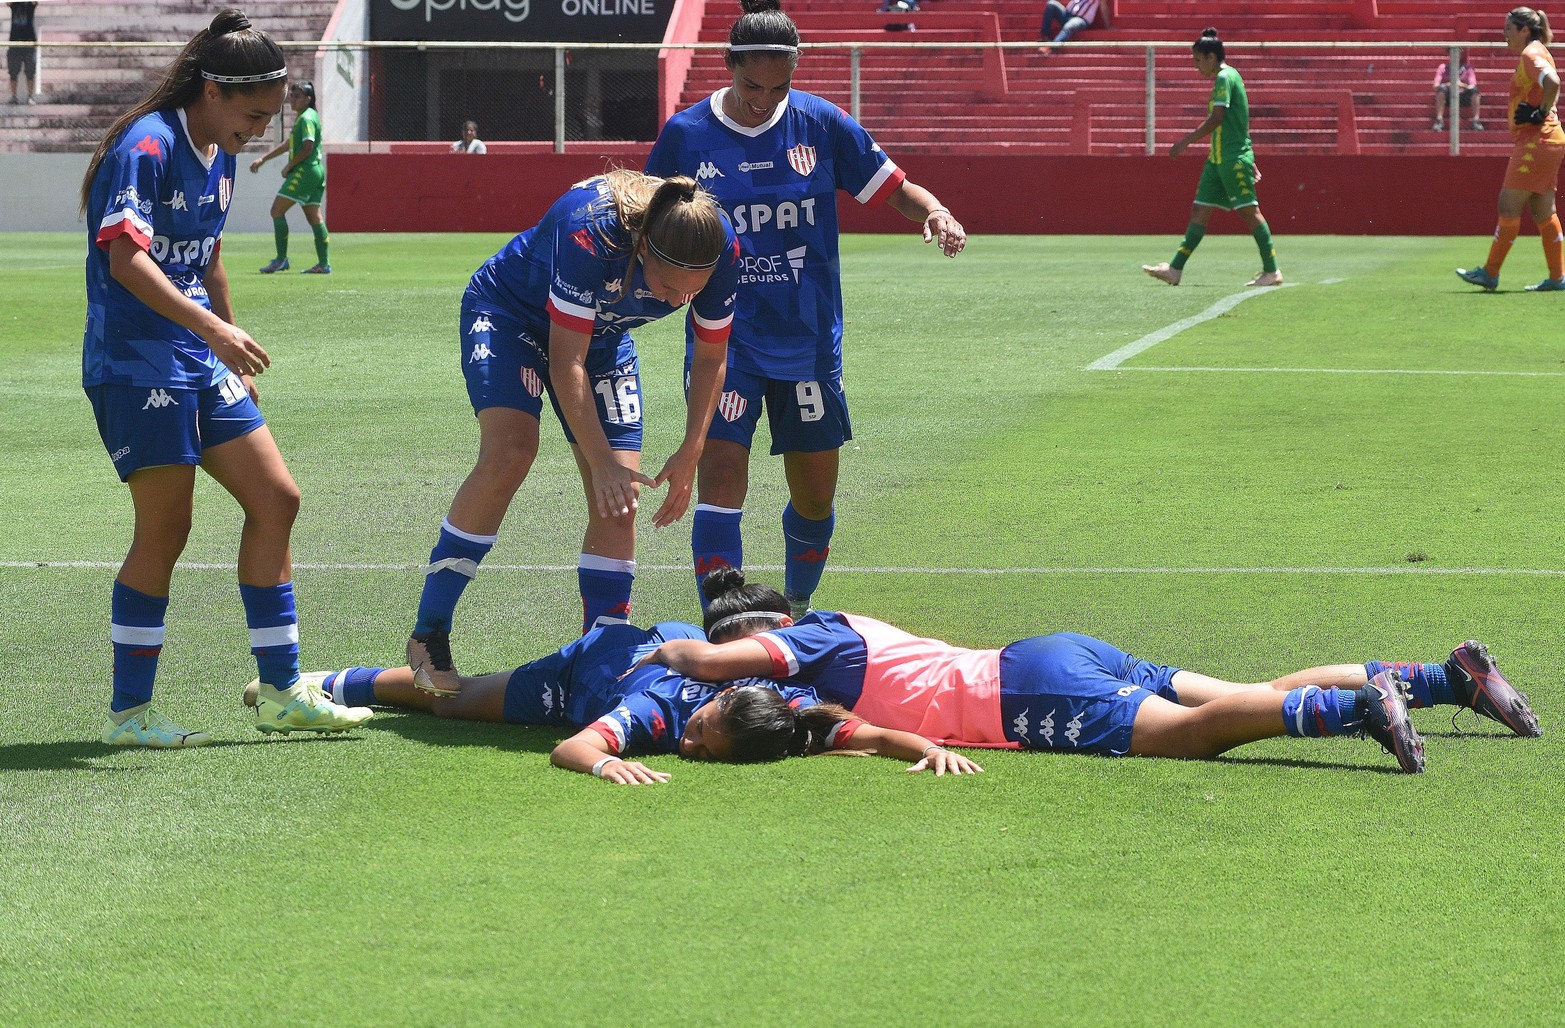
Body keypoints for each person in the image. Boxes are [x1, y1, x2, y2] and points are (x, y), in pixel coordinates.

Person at [78, 9, 372, 746]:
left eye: (273, 117)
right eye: (253, 114)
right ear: (211, 91)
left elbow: (207, 259)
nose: (264, 130)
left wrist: (229, 347)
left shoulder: (221, 153)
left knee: (277, 497)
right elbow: (127, 259)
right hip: (136, 360)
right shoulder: (146, 145)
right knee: (167, 527)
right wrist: (211, 330)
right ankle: (129, 713)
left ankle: (282, 691)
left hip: (196, 361)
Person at [645, 0, 967, 621]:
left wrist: (935, 211)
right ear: (729, 66)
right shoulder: (686, 136)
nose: (765, 99)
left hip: (810, 338)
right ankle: (725, 619)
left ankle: (798, 605)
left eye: (779, 86)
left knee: (814, 495)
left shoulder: (822, 124)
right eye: (751, 85)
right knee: (720, 473)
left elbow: (895, 188)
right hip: (725, 340)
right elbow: (647, 218)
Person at [632, 568, 1545, 775]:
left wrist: (663, 649)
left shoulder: (810, 643)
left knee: (1187, 740)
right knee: (1238, 696)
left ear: (773, 631)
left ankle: (1357, 713)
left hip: (1023, 694)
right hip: (1047, 656)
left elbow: (716, 656)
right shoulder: (841, 629)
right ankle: (1440, 676)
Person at [405, 170, 742, 697]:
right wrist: (602, 460)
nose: (680, 302)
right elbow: (566, 364)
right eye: (669, 287)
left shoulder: (720, 247)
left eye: (692, 292)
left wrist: (691, 447)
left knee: (621, 498)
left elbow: (712, 355)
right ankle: (429, 634)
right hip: (511, 315)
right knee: (511, 452)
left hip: (602, 339)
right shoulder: (593, 231)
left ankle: (599, 653)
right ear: (643, 249)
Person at [314, 614, 980, 782]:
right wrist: (604, 762)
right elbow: (571, 745)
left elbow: (868, 736)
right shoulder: (659, 711)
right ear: (716, 704)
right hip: (595, 668)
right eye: (699, 732)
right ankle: (333, 681)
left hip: (668, 641)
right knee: (456, 703)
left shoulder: (783, 720)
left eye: (700, 752)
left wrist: (929, 749)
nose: (685, 745)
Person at [1143, 27, 1282, 288]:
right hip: (1218, 160)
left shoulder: (1224, 78)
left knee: (1251, 213)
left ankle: (1272, 271)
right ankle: (1175, 269)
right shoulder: (1228, 78)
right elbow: (1237, 121)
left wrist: (1185, 141)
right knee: (1199, 211)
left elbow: (1217, 119)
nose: (1196, 66)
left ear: (1210, 57)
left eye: (1198, 60)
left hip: (1231, 159)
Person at [1456, 7, 1565, 293]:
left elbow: (1553, 82)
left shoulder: (1531, 54)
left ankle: (1490, 273)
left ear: (1524, 30)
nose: (1505, 35)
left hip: (1536, 139)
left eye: (1508, 29)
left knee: (1508, 205)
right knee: (1543, 210)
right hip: (1549, 139)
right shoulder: (1537, 50)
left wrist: (1540, 113)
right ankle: (1557, 278)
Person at [250, 80, 330, 274]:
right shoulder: (308, 116)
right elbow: (289, 144)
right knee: (314, 217)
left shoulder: (306, 119)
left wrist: (289, 166)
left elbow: (308, 146)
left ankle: (280, 260)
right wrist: (264, 159)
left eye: (297, 96)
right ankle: (323, 264)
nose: (292, 99)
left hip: (305, 170)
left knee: (276, 211)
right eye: (292, 95)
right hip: (316, 172)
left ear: (308, 99)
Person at [1433, 48, 1483, 131]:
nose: (1455, 56)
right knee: (1441, 90)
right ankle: (1439, 121)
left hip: (1463, 95)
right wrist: (1449, 85)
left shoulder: (1468, 68)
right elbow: (1435, 86)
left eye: (1457, 53)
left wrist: (1461, 85)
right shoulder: (1443, 67)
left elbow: (1472, 85)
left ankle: (1476, 121)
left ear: (1461, 55)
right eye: (1452, 53)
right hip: (1448, 96)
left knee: (1475, 91)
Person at [1038, 0, 1107, 56]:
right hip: (1067, 14)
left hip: (1081, 19)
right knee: (1051, 4)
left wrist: (1108, 25)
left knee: (1069, 26)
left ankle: (1051, 47)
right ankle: (1045, 37)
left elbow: (1104, 8)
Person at [7, 0, 37, 104]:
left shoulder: (30, 4)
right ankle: (14, 96)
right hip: (14, 42)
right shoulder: (14, 4)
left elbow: (35, 2)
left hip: (28, 42)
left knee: (30, 72)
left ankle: (30, 96)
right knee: (13, 72)